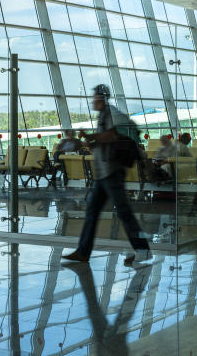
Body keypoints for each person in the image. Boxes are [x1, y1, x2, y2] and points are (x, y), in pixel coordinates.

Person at [63, 85, 151, 266]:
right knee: (92, 210)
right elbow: (105, 141)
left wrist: (93, 136)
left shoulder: (110, 113)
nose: (92, 101)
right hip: (103, 173)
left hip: (111, 172)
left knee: (123, 212)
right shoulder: (104, 114)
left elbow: (111, 135)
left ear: (101, 98)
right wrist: (91, 140)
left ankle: (143, 251)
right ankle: (83, 251)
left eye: (94, 98)